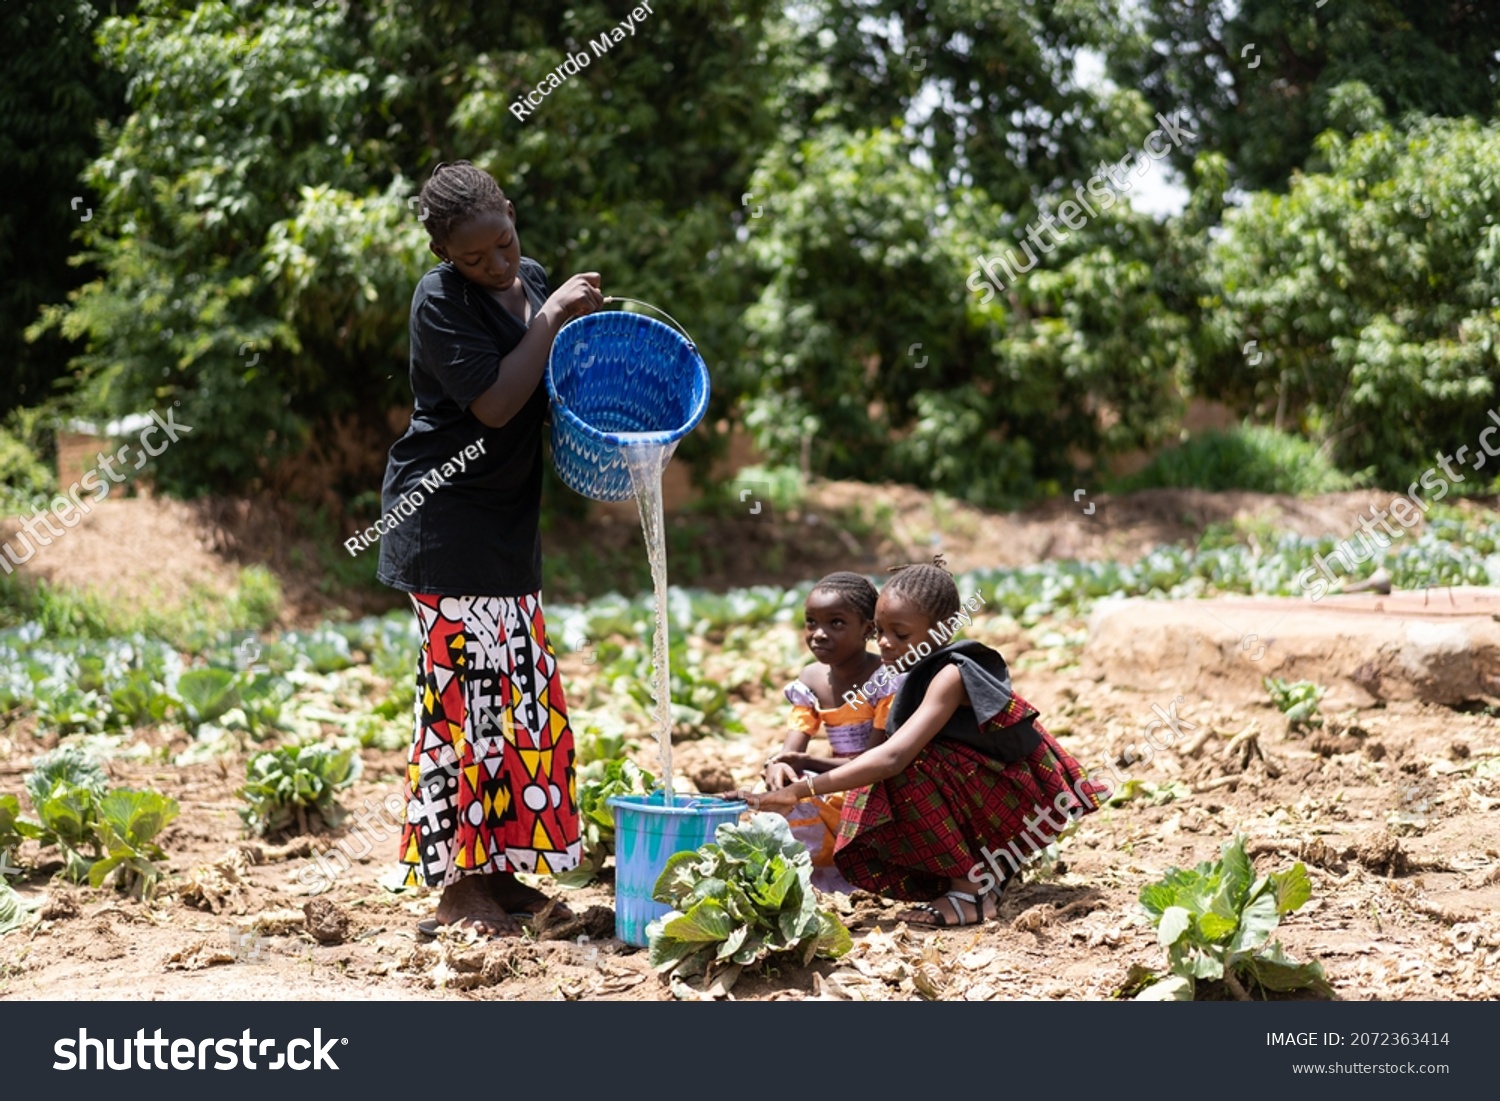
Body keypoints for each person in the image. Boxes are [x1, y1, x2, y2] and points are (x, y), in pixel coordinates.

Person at [378, 160, 604, 936]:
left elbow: (552, 385)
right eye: (475, 259)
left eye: (503, 245)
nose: (497, 266)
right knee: (468, 707)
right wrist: (551, 317)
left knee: (518, 701)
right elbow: (499, 403)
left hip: (507, 525)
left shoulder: (533, 279)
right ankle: (459, 886)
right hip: (446, 521)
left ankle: (501, 873)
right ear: (447, 256)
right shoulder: (439, 301)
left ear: (510, 214)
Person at [732, 558, 1106, 927]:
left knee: (902, 770)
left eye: (900, 634)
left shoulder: (950, 674)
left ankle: (972, 891)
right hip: (990, 789)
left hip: (1022, 795)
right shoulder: (910, 673)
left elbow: (892, 757)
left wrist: (801, 789)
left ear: (943, 630)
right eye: (879, 631)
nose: (885, 643)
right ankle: (982, 872)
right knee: (893, 772)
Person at [764, 572, 904, 891]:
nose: (819, 634)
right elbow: (793, 747)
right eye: (811, 622)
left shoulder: (883, 680)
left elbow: (874, 762)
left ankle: (856, 872)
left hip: (877, 782)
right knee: (780, 793)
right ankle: (812, 877)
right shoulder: (811, 680)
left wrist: (805, 763)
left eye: (836, 623)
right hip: (837, 779)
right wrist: (781, 765)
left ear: (868, 629)